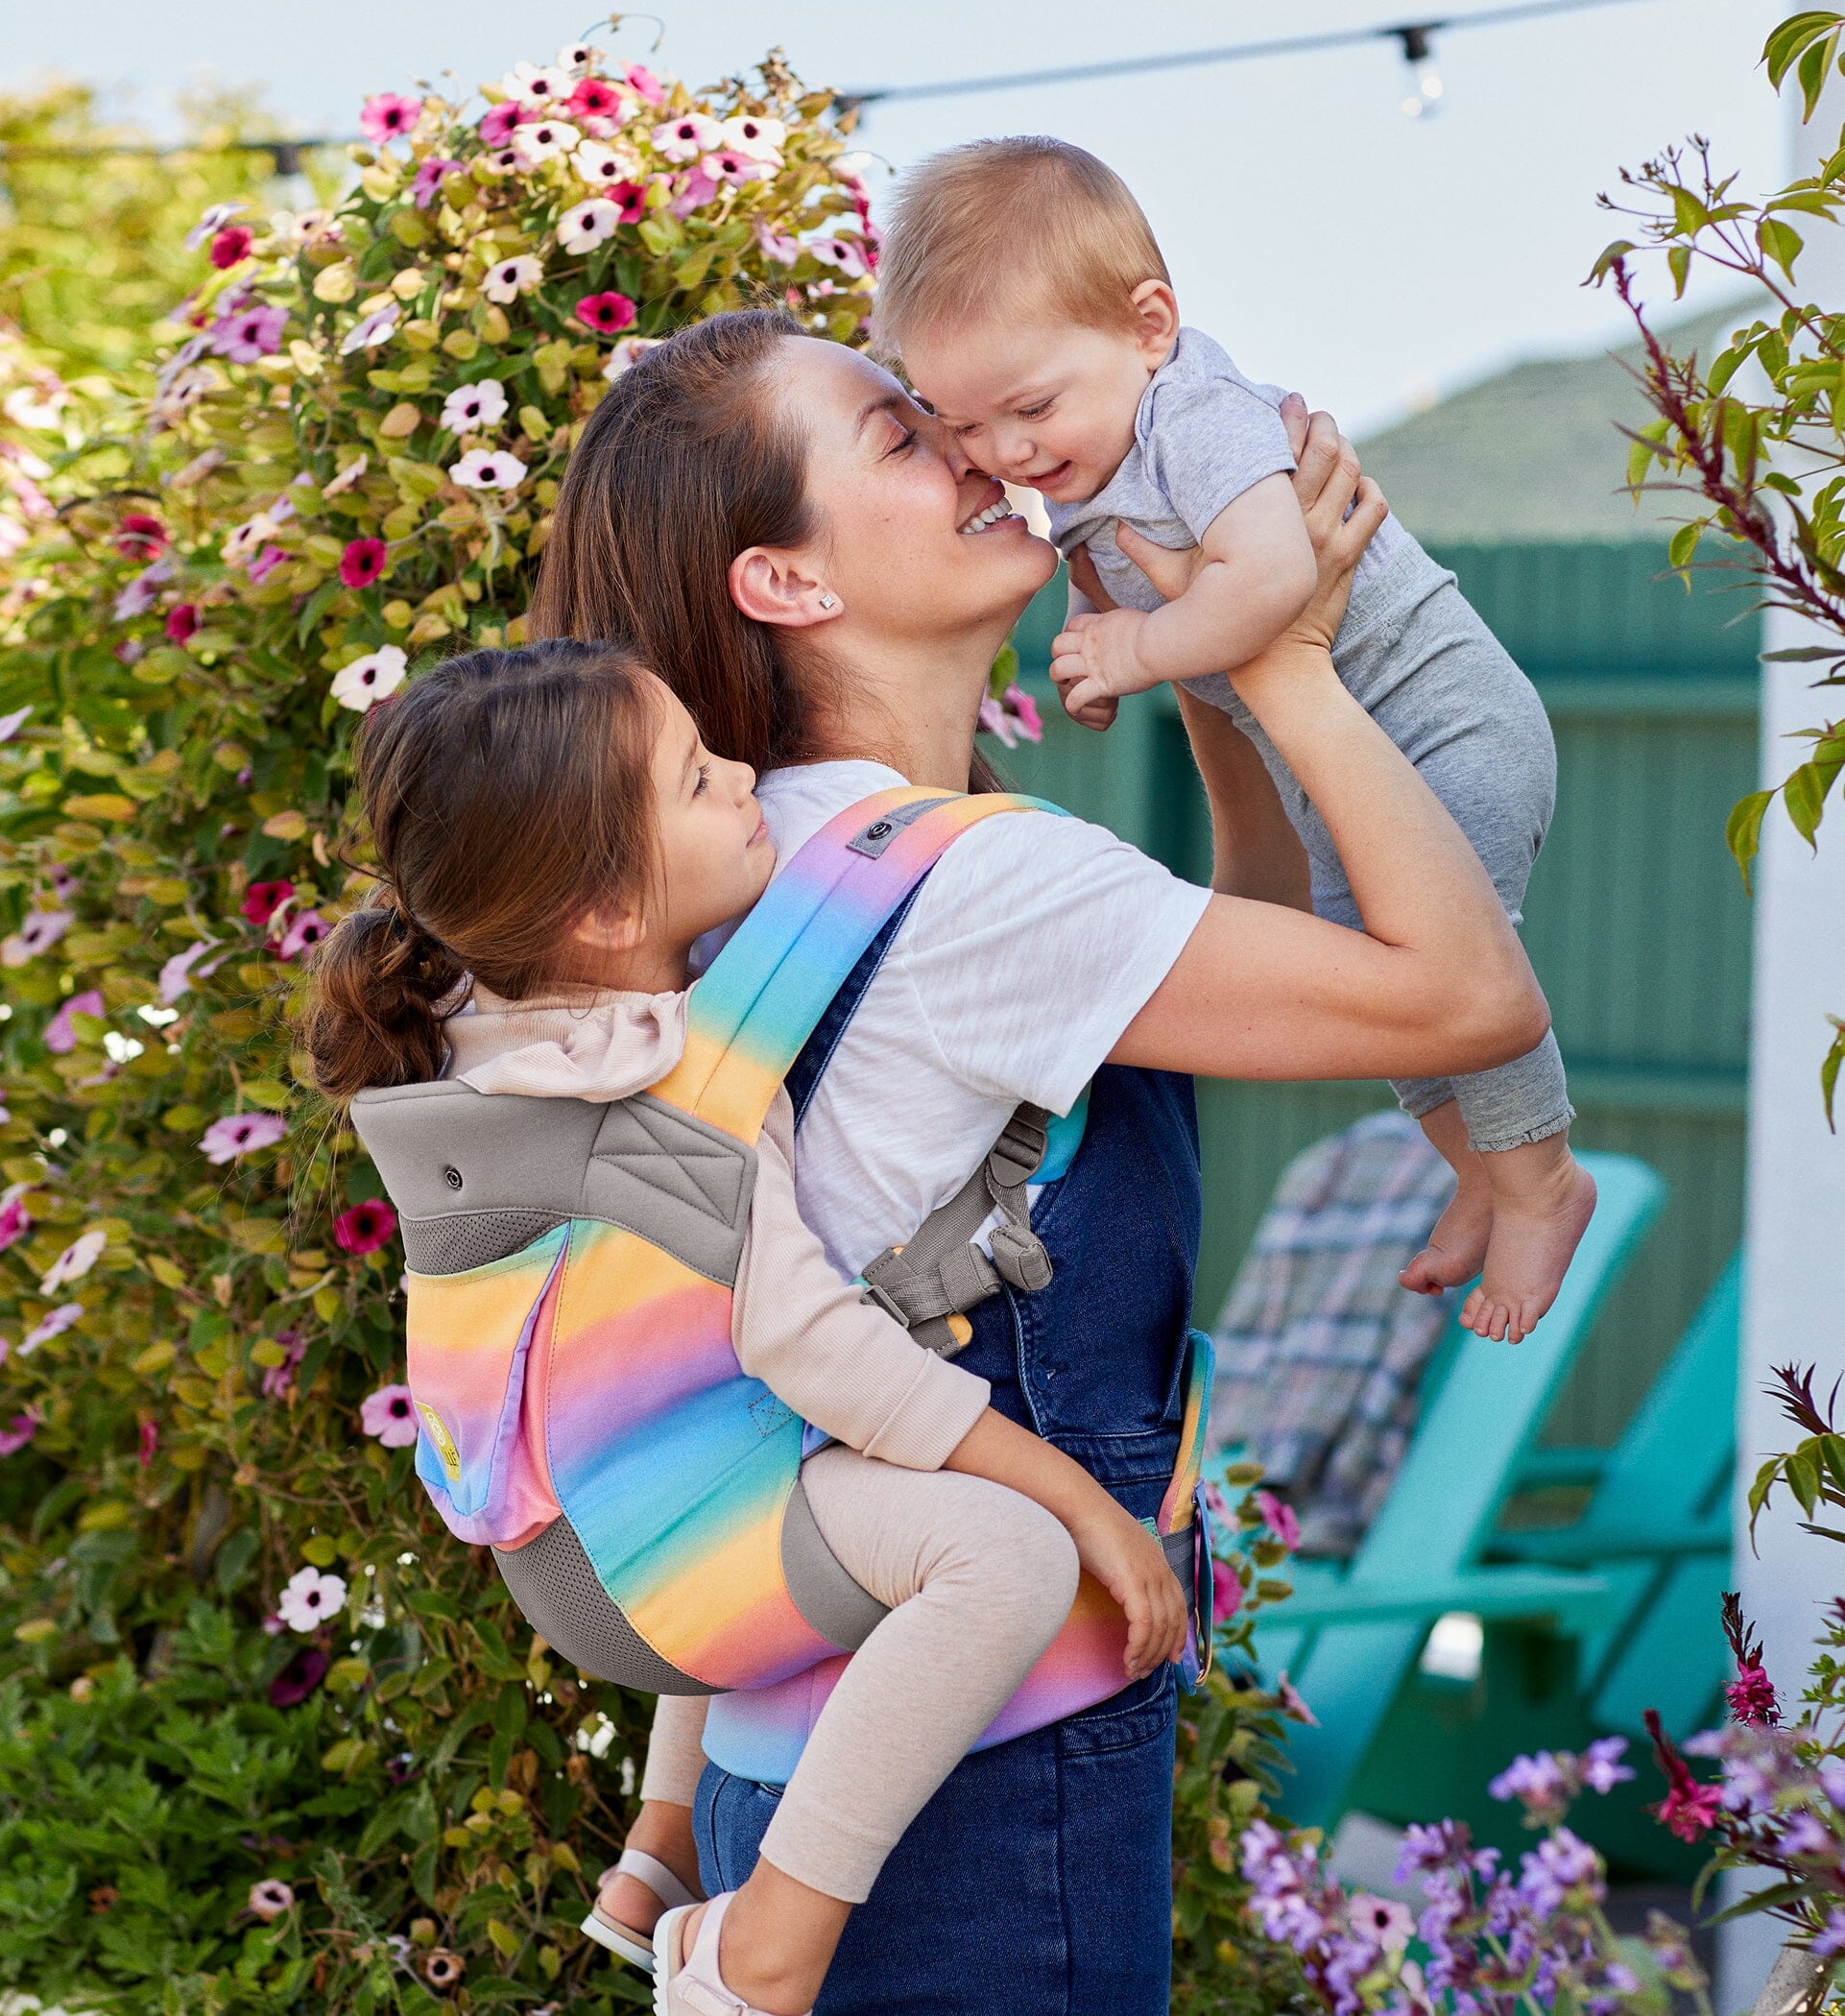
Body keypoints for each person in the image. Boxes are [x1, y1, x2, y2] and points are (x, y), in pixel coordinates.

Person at [528, 307, 1551, 2016]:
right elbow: (1464, 995)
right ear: (784, 581)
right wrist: (1289, 659)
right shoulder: (984, 893)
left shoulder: (776, 847)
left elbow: (1230, 944)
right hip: (999, 1780)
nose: (977, 449)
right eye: (902, 439)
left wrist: (1193, 662)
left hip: (812, 1751)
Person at [302, 639, 1192, 2016]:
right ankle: (772, 1935)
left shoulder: (494, 1026)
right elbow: (823, 1357)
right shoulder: (675, 1101)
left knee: (726, 1431)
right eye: (697, 777)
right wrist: (1084, 1503)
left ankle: (656, 1850)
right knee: (1002, 1553)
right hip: (666, 1566)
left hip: (571, 1531)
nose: (742, 784)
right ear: (601, 907)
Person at [876, 135, 1595, 1348]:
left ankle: (1545, 1182)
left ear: (1150, 324)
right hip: (1343, 759)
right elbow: (1132, 592)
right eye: (962, 424)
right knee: (1384, 982)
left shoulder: (1198, 419)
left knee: (1458, 966)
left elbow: (1269, 580)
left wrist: (1142, 654)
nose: (1003, 454)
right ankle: (1482, 1172)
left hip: (1442, 719)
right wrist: (1105, 645)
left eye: (1030, 409)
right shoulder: (1095, 452)